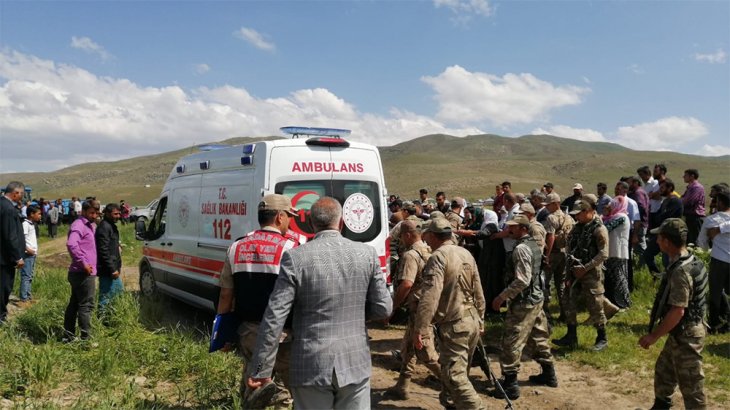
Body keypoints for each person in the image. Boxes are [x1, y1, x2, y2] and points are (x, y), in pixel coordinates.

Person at [247, 197, 391, 409]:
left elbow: (274, 317)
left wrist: (260, 369)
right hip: (354, 361)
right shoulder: (367, 254)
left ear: (311, 224)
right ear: (341, 222)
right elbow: (383, 308)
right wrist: (356, 311)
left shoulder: (295, 258)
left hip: (310, 365)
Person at [216, 194, 301, 407]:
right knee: (294, 390)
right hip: (283, 336)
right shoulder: (291, 249)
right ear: (280, 217)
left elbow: (226, 295)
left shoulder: (236, 247)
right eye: (289, 216)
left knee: (253, 385)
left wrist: (221, 335)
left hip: (248, 332)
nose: (290, 222)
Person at [413, 217, 486, 409]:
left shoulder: (438, 257)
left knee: (455, 377)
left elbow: (430, 296)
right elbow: (478, 288)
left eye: (426, 235)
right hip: (471, 321)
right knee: (456, 373)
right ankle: (452, 404)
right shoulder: (465, 253)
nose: (425, 240)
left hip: (455, 324)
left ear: (432, 235)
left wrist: (420, 329)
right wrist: (481, 319)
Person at [640, 218, 708, 410]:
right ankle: (661, 406)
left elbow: (678, 310)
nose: (657, 242)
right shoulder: (693, 260)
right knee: (664, 371)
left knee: (691, 385)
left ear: (667, 241)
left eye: (659, 238)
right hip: (682, 332)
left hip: (687, 335)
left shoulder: (680, 271)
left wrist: (653, 336)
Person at [490, 214, 557, 401]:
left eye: (514, 227)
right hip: (536, 299)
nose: (510, 230)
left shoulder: (520, 249)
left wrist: (501, 297)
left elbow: (522, 280)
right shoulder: (534, 245)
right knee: (539, 336)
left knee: (511, 341)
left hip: (523, 302)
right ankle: (549, 374)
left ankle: (510, 384)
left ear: (524, 229)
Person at [384, 220, 441, 400]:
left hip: (418, 308)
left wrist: (392, 307)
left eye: (401, 236)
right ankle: (402, 385)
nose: (400, 240)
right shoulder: (428, 250)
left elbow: (407, 284)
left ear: (407, 235)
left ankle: (452, 384)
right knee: (408, 348)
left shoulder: (411, 255)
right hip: (427, 304)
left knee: (425, 352)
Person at [553, 194, 610, 351]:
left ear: (589, 211)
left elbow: (603, 254)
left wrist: (585, 268)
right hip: (574, 271)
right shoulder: (576, 228)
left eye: (579, 213)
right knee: (568, 301)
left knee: (595, 305)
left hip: (591, 273)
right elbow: (568, 247)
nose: (576, 216)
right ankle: (571, 336)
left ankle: (602, 338)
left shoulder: (599, 229)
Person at [63, 200, 100, 341]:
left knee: (75, 304)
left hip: (82, 271)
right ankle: (86, 338)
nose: (94, 215)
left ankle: (68, 336)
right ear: (83, 211)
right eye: (91, 212)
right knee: (86, 306)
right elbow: (72, 244)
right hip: (83, 272)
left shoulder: (90, 225)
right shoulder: (79, 225)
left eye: (96, 213)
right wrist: (83, 263)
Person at [697, 188, 730, 334]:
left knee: (715, 291)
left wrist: (708, 246)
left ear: (720, 203)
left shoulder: (711, 220)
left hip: (719, 259)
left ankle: (714, 322)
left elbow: (701, 242)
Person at [542, 192, 574, 321]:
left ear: (556, 204)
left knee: (545, 282)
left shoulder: (551, 218)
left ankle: (546, 313)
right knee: (561, 284)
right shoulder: (569, 218)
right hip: (565, 253)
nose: (546, 207)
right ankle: (564, 312)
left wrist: (547, 255)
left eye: (549, 204)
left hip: (554, 253)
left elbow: (550, 237)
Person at [645, 179, 684, 276]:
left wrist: (658, 218)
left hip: (671, 235)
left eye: (662, 188)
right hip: (662, 233)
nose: (660, 190)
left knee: (668, 262)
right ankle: (657, 276)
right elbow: (659, 216)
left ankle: (670, 282)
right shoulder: (666, 201)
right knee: (647, 254)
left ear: (670, 188)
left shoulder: (676, 201)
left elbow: (665, 217)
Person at [1, 181, 26, 324]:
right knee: (4, 287)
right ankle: (1, 317)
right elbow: (10, 235)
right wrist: (17, 257)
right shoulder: (9, 209)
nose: (21, 197)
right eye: (21, 194)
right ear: (15, 193)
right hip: (5, 258)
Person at [602, 196, 631, 310]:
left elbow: (606, 228)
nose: (610, 208)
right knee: (613, 278)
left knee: (619, 278)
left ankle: (623, 303)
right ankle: (614, 302)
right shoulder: (614, 217)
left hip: (618, 251)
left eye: (612, 206)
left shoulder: (621, 217)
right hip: (613, 251)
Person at [96, 203, 123, 315]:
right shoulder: (104, 227)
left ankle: (112, 317)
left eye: (119, 214)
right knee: (106, 296)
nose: (118, 216)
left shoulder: (110, 225)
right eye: (115, 214)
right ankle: (103, 321)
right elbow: (103, 251)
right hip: (107, 270)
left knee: (117, 293)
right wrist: (112, 269)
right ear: (107, 213)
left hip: (112, 267)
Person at [18, 205, 42, 305]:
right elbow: (21, 240)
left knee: (30, 276)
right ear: (32, 214)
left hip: (32, 254)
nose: (40, 216)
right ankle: (23, 299)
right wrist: (27, 250)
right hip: (27, 255)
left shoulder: (31, 224)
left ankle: (28, 295)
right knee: (26, 276)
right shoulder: (25, 224)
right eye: (39, 214)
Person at [681, 168, 706, 245]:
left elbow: (689, 201)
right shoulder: (690, 187)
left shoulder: (696, 187)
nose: (683, 177)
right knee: (690, 240)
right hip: (690, 216)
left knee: (694, 240)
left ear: (692, 176)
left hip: (695, 217)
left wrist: (679, 201)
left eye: (685, 175)